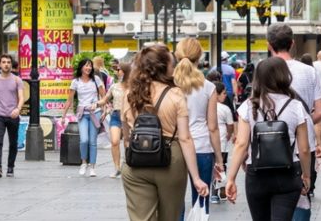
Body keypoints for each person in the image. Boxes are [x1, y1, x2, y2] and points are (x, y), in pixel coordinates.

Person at [121, 44, 208, 221]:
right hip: (170, 157)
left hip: (136, 158)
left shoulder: (129, 94)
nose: (174, 67)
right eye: (171, 64)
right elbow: (185, 138)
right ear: (163, 68)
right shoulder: (176, 94)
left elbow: (126, 135)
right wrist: (196, 178)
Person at [226, 57, 311, 220]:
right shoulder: (295, 106)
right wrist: (306, 175)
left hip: (257, 174)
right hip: (288, 173)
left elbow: (241, 144)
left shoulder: (249, 106)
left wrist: (231, 178)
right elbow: (305, 148)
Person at [267, 24, 321, 200]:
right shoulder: (309, 71)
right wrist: (303, 122)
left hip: (270, 143)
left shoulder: (263, 71)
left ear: (269, 45)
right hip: (302, 145)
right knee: (300, 200)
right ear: (292, 44)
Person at [173, 38, 224, 218]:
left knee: (175, 201)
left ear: (177, 56)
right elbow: (213, 127)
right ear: (199, 57)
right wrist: (219, 159)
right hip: (202, 146)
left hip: (176, 147)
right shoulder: (208, 87)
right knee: (201, 200)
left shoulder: (170, 85)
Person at [62, 58, 106, 177]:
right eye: (86, 66)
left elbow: (103, 96)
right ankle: (83, 163)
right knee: (84, 140)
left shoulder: (96, 80)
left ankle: (92, 167)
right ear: (81, 67)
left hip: (95, 112)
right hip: (82, 113)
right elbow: (69, 99)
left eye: (90, 66)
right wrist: (63, 115)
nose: (88, 68)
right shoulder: (75, 81)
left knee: (92, 141)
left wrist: (104, 110)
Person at [0, 54, 24, 178]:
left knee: (13, 143)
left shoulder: (17, 80)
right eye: (4, 62)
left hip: (13, 115)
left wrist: (18, 109)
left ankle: (10, 167)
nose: (6, 64)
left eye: (8, 62)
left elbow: (21, 97)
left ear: (11, 65)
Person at [94, 62, 131, 178]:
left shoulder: (134, 86)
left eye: (119, 70)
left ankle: (128, 166)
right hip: (116, 115)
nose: (117, 72)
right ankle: (117, 168)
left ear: (126, 71)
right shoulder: (114, 86)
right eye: (117, 70)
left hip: (129, 116)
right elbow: (105, 99)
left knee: (127, 143)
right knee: (114, 142)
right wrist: (96, 104)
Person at [211, 82, 233, 203]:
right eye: (224, 93)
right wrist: (229, 135)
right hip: (222, 141)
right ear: (217, 94)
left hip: (208, 142)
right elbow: (230, 125)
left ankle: (214, 193)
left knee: (212, 167)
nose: (225, 96)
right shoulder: (225, 109)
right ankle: (219, 189)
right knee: (221, 165)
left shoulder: (206, 107)